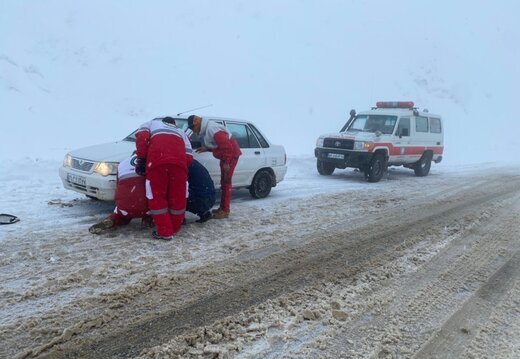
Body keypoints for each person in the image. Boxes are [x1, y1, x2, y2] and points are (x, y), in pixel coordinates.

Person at [135, 116, 193, 240]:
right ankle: (175, 227)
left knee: (156, 196)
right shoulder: (181, 132)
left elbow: (142, 138)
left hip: (157, 163)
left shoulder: (152, 123)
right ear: (174, 124)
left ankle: (165, 231)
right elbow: (189, 155)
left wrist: (142, 159)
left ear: (163, 122)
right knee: (178, 197)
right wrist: (177, 162)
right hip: (179, 166)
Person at [187, 115, 242, 219]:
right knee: (224, 182)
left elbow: (227, 147)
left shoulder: (211, 129)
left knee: (226, 182)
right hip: (227, 155)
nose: (193, 131)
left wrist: (226, 162)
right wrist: (207, 149)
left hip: (230, 156)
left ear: (197, 123)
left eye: (192, 128)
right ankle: (223, 208)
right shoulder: (208, 128)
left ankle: (225, 210)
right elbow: (219, 145)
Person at [89, 155, 151, 234]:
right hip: (145, 203)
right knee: (156, 207)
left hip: (125, 202)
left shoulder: (123, 163)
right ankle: (148, 220)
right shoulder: (150, 161)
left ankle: (112, 220)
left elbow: (118, 185)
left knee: (121, 214)